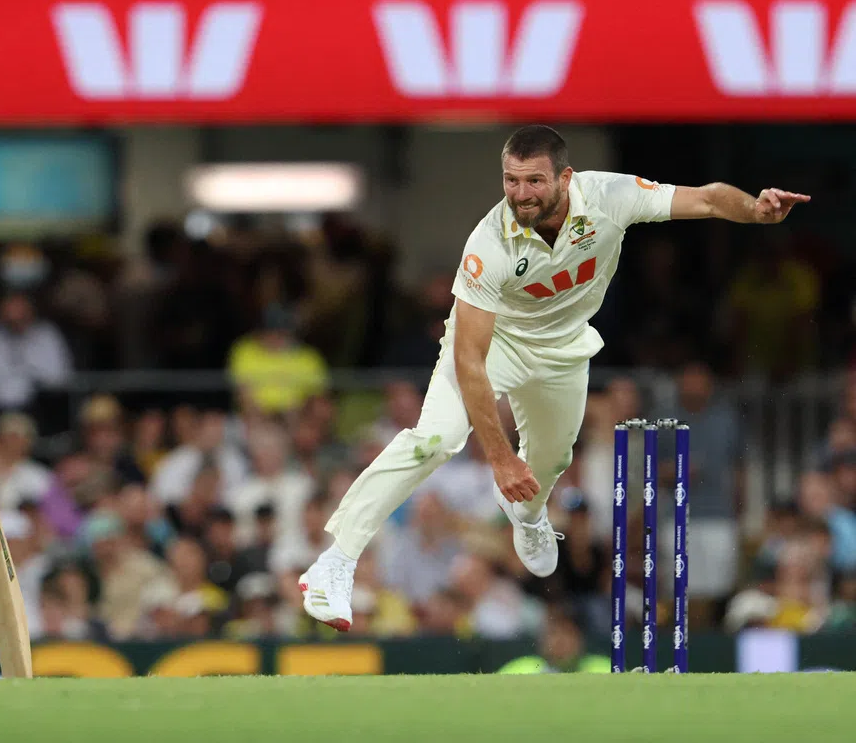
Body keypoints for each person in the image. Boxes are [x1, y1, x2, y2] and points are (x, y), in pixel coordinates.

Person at [299, 125, 810, 631]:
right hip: (495, 345)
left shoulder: (609, 196)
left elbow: (707, 198)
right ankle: (336, 560)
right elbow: (469, 359)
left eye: (534, 181)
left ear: (565, 178)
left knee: (553, 459)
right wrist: (499, 457)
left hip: (563, 350)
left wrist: (755, 210)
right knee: (433, 440)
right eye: (511, 180)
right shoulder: (488, 243)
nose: (521, 194)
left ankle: (528, 516)